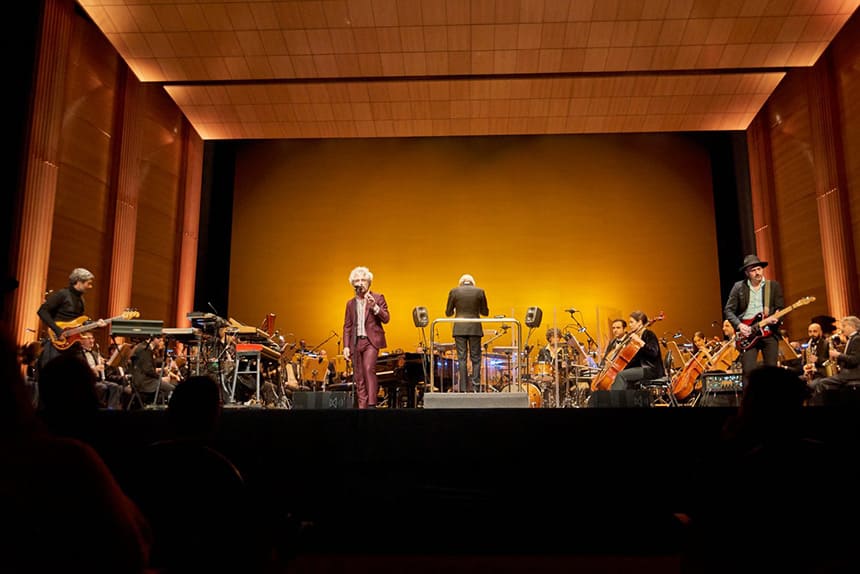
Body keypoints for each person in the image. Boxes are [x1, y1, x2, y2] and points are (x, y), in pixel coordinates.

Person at [724, 254, 784, 381]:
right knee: (748, 372)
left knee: (772, 372)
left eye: (759, 269)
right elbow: (728, 310)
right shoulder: (739, 287)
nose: (757, 273)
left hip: (768, 331)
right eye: (753, 270)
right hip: (748, 333)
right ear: (747, 273)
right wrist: (740, 325)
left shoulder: (773, 286)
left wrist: (777, 316)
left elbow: (779, 307)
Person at [36, 267, 106, 371]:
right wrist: (57, 330)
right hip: (57, 344)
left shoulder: (81, 300)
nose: (90, 286)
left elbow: (79, 322)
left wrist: (96, 324)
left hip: (72, 344)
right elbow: (42, 311)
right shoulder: (62, 294)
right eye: (88, 283)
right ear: (78, 282)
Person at [342, 266, 390, 409]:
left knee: (369, 368)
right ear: (353, 284)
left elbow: (386, 318)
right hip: (356, 342)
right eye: (357, 280)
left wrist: (375, 307)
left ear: (369, 282)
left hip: (371, 341)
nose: (360, 283)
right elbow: (347, 326)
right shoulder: (350, 303)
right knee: (358, 375)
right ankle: (362, 406)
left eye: (363, 280)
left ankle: (371, 404)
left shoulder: (377, 297)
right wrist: (346, 346)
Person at [445, 274, 489, 392]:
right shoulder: (480, 291)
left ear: (461, 282)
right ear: (472, 282)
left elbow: (448, 313)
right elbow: (485, 312)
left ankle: (463, 388)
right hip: (475, 327)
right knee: (476, 358)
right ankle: (476, 387)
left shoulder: (454, 292)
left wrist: (456, 309)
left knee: (462, 358)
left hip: (459, 328)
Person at [808, 315, 860, 404]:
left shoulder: (857, 339)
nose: (841, 329)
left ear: (851, 326)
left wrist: (838, 355)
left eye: (844, 326)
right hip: (847, 372)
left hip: (853, 374)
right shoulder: (852, 339)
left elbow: (854, 360)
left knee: (822, 383)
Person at [610, 311, 664, 390]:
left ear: (639, 322)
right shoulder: (637, 336)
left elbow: (653, 353)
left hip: (651, 369)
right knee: (623, 376)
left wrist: (639, 341)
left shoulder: (649, 334)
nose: (630, 325)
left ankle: (614, 400)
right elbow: (635, 358)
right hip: (642, 368)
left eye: (632, 322)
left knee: (621, 375)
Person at [129, 334, 178, 404]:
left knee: (171, 385)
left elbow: (148, 369)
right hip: (144, 383)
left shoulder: (145, 347)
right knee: (172, 389)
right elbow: (148, 370)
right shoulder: (145, 349)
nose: (161, 342)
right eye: (159, 339)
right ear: (154, 339)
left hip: (146, 380)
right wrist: (160, 378)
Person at [78, 332, 123, 409]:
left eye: (92, 338)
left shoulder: (96, 354)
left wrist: (105, 363)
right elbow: (80, 371)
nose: (92, 341)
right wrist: (94, 369)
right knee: (102, 387)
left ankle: (111, 409)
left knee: (116, 387)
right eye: (88, 338)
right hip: (87, 382)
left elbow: (104, 369)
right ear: (81, 341)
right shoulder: (78, 354)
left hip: (98, 380)